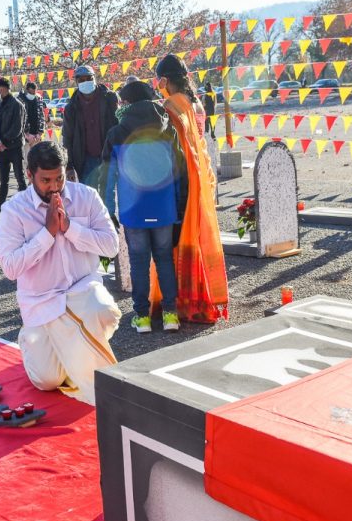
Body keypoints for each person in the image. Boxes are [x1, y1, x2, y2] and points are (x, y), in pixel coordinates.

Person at [0, 140, 120, 404]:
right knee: (47, 381)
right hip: (42, 301)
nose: (54, 187)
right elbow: (10, 268)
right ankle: (34, 340)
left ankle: (95, 376)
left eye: (59, 178)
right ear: (29, 175)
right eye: (46, 180)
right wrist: (47, 234)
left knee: (103, 310)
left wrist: (71, 228)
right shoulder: (14, 211)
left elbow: (111, 246)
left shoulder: (86, 197)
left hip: (84, 291)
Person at [102, 80, 186, 334]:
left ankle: (142, 317)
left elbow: (108, 177)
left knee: (138, 262)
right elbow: (179, 173)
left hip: (133, 209)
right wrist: (179, 208)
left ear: (127, 103)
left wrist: (108, 211)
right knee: (164, 259)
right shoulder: (167, 128)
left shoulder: (116, 133)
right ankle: (170, 315)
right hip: (164, 207)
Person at [154, 54, 228, 324]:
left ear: (164, 80)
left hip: (182, 179)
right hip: (202, 178)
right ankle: (201, 295)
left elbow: (169, 149)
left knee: (177, 238)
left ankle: (183, 300)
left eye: (158, 80)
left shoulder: (171, 105)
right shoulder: (196, 103)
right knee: (197, 235)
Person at [62, 65, 118, 189]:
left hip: (108, 155)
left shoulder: (109, 98)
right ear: (76, 82)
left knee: (107, 195)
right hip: (85, 159)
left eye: (89, 78)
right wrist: (69, 165)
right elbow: (67, 137)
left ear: (94, 78)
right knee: (88, 196)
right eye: (81, 80)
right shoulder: (71, 107)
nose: (85, 82)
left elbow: (118, 125)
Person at [0, 78, 27, 206]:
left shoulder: (17, 105)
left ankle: (26, 206)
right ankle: (1, 206)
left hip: (15, 147)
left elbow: (17, 128)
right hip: (2, 149)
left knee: (19, 178)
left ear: (4, 88)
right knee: (3, 180)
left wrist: (3, 141)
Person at [19, 80, 46, 164]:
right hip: (26, 136)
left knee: (38, 159)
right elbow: (19, 119)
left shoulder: (38, 99)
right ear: (27, 90)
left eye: (34, 92)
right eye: (31, 92)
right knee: (27, 159)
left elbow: (41, 115)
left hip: (36, 135)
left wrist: (40, 132)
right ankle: (27, 172)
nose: (33, 94)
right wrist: (26, 134)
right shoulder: (20, 100)